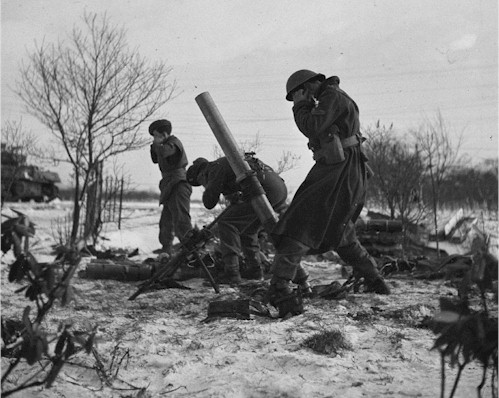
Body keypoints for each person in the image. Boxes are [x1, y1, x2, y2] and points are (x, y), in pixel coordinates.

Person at [268, 69, 391, 317]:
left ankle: (280, 286)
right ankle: (376, 280)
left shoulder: (331, 97)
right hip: (346, 171)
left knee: (300, 221)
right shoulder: (332, 97)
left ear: (308, 86)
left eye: (299, 94)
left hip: (340, 172)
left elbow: (312, 127)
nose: (301, 99)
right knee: (340, 231)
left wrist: (301, 105)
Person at [186, 154, 288, 285]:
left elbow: (209, 202)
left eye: (200, 183)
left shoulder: (213, 169)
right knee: (247, 229)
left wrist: (209, 185)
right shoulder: (223, 163)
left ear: (200, 175)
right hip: (277, 189)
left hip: (263, 191)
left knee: (227, 223)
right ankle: (255, 270)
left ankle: (232, 273)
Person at [149, 119, 193, 255]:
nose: (155, 139)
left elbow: (164, 152)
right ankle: (166, 249)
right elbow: (155, 158)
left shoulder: (173, 143)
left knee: (181, 219)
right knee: (166, 221)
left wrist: (157, 145)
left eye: (156, 135)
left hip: (178, 184)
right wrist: (154, 146)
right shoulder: (164, 145)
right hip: (169, 184)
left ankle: (191, 251)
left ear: (165, 134)